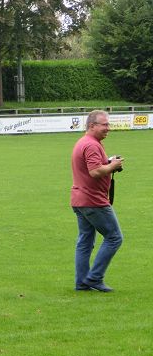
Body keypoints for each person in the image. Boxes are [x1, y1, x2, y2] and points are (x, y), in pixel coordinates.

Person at [70, 110, 124, 292]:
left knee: (85, 241)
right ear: (92, 126)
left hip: (79, 199)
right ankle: (94, 278)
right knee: (114, 237)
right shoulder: (92, 145)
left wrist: (108, 162)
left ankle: (81, 282)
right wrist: (112, 166)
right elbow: (94, 172)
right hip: (93, 200)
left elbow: (92, 166)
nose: (108, 128)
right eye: (105, 125)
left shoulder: (84, 142)